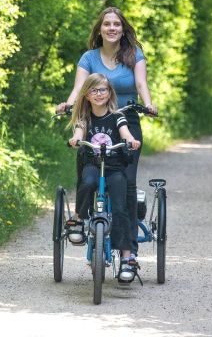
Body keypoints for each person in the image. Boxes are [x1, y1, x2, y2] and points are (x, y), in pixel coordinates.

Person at [57, 6, 157, 264]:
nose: (112, 28)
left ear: (123, 29)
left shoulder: (134, 54)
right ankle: (82, 218)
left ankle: (129, 251)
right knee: (87, 169)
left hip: (126, 118)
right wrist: (68, 104)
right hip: (95, 118)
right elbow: (79, 87)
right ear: (100, 30)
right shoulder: (89, 57)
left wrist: (148, 104)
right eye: (107, 24)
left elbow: (141, 84)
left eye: (117, 24)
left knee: (127, 183)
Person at [66, 73, 141, 281]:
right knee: (87, 182)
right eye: (94, 90)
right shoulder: (85, 118)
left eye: (103, 90)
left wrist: (130, 140)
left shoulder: (117, 116)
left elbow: (125, 133)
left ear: (110, 93)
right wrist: (76, 139)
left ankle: (127, 258)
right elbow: (80, 133)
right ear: (87, 95)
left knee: (120, 207)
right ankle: (79, 218)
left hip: (114, 168)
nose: (99, 94)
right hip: (92, 165)